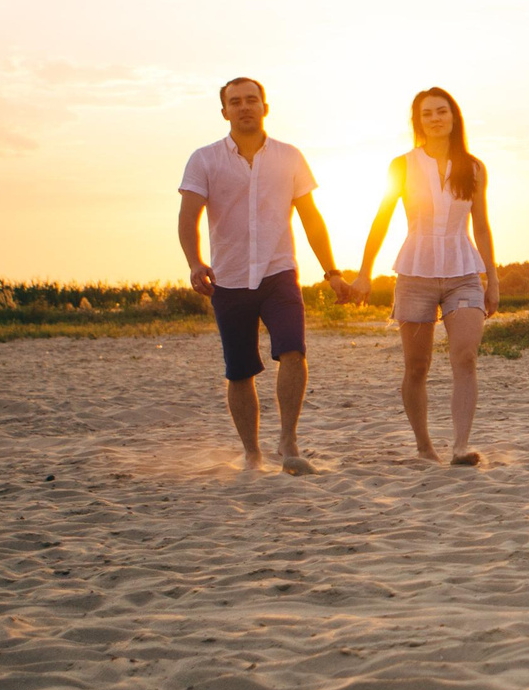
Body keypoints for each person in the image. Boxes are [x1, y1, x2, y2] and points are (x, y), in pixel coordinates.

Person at [176, 77, 349, 474]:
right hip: (228, 278)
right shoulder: (204, 159)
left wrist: (331, 271)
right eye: (235, 102)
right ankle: (251, 452)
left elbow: (311, 218)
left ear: (265, 107)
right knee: (239, 370)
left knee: (294, 351)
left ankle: (288, 438)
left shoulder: (289, 156)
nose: (244, 107)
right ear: (224, 112)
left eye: (252, 100)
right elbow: (188, 217)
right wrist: (195, 262)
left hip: (279, 272)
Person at [347, 86, 499, 465]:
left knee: (465, 357)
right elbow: (381, 220)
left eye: (441, 111)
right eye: (427, 113)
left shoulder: (474, 167)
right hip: (415, 273)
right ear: (418, 121)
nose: (435, 118)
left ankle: (461, 446)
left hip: (464, 273)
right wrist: (364, 273)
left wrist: (492, 279)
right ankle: (423, 446)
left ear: (453, 117)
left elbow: (481, 226)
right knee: (417, 366)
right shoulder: (402, 165)